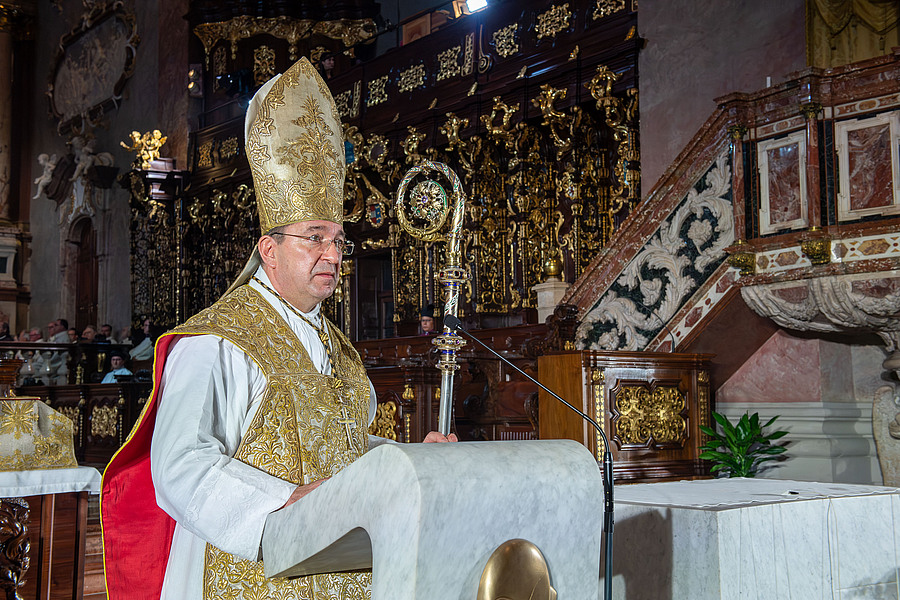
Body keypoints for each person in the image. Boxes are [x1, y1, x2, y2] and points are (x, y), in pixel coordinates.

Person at [101, 57, 455, 600]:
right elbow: (180, 464)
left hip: (342, 569)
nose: (333, 254)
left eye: (338, 240)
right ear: (269, 249)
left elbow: (344, 448)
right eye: (315, 237)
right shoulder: (219, 340)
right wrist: (284, 501)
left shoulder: (339, 348)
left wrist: (410, 463)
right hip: (249, 574)